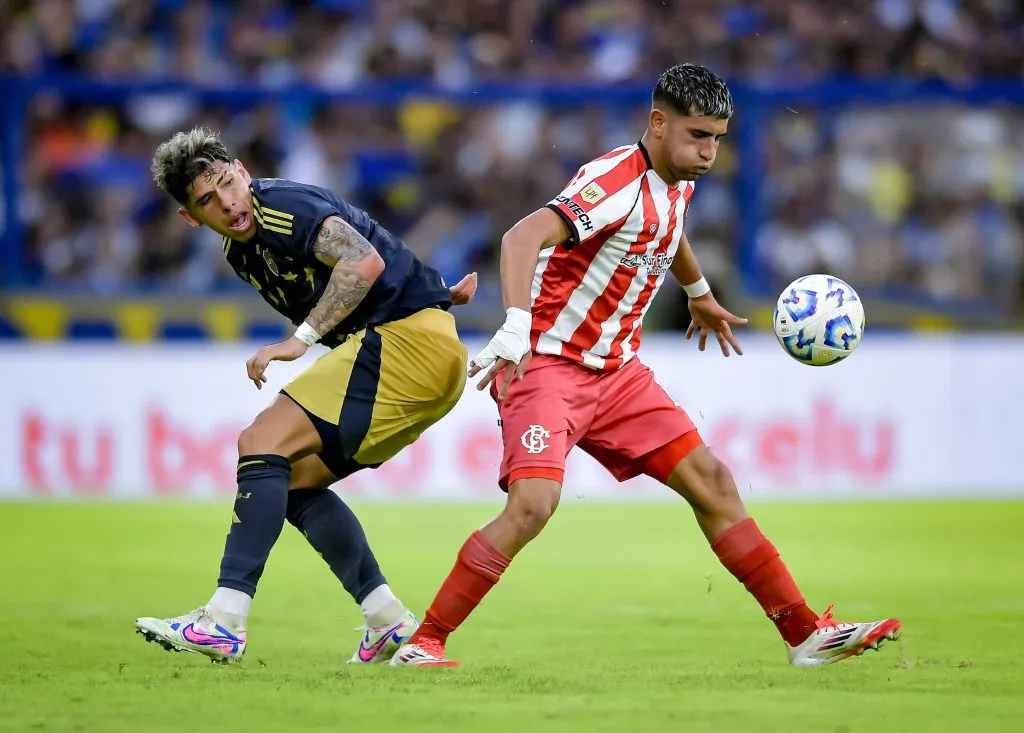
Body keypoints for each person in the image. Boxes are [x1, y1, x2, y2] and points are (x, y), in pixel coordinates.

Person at [391, 64, 901, 668]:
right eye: (697, 136)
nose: (709, 153)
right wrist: (515, 325)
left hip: (618, 373)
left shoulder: (678, 178)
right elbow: (519, 239)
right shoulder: (611, 183)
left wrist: (699, 291)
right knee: (532, 506)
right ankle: (424, 643)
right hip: (548, 366)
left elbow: (669, 229)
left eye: (717, 139)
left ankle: (805, 635)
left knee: (713, 482)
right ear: (657, 124)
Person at [135, 127, 476, 664]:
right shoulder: (239, 251)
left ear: (243, 171)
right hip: (416, 348)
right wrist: (432, 291)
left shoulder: (281, 208)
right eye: (206, 199)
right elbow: (373, 250)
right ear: (189, 216)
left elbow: (363, 261)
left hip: (408, 345)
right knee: (289, 478)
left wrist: (298, 341)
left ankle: (223, 620)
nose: (226, 203)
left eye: (227, 183)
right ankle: (386, 618)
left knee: (260, 441)